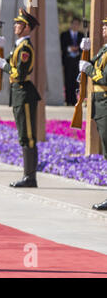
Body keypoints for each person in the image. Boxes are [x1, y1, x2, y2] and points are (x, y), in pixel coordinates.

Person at [0, 8, 41, 188]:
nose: (15, 26)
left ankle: (30, 177)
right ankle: (27, 175)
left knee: (28, 136)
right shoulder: (18, 45)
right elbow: (7, 62)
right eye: (15, 23)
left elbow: (19, 74)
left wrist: (3, 65)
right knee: (23, 135)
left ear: (27, 27)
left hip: (24, 92)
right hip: (18, 93)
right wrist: (0, 49)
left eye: (19, 23)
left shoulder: (25, 48)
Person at [79, 17, 107, 210]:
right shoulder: (104, 50)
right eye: (104, 25)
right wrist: (86, 54)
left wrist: (88, 68)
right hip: (100, 104)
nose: (104, 28)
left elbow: (104, 78)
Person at [60, 17, 84, 106]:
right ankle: (68, 100)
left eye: (77, 24)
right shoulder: (64, 34)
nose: (75, 26)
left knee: (76, 81)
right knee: (68, 80)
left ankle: (75, 100)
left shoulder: (82, 35)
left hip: (77, 61)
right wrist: (70, 49)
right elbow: (62, 46)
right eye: (74, 24)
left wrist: (78, 49)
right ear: (71, 24)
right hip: (68, 61)